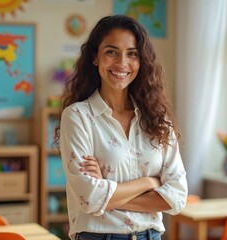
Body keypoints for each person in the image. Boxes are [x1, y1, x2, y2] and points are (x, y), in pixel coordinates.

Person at [56, 15, 188, 240]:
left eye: (132, 53)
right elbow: (89, 197)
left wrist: (108, 195)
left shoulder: (157, 118)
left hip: (151, 236)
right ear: (95, 57)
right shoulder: (78, 116)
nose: (121, 63)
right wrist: (149, 182)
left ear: (141, 60)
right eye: (111, 52)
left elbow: (177, 197)